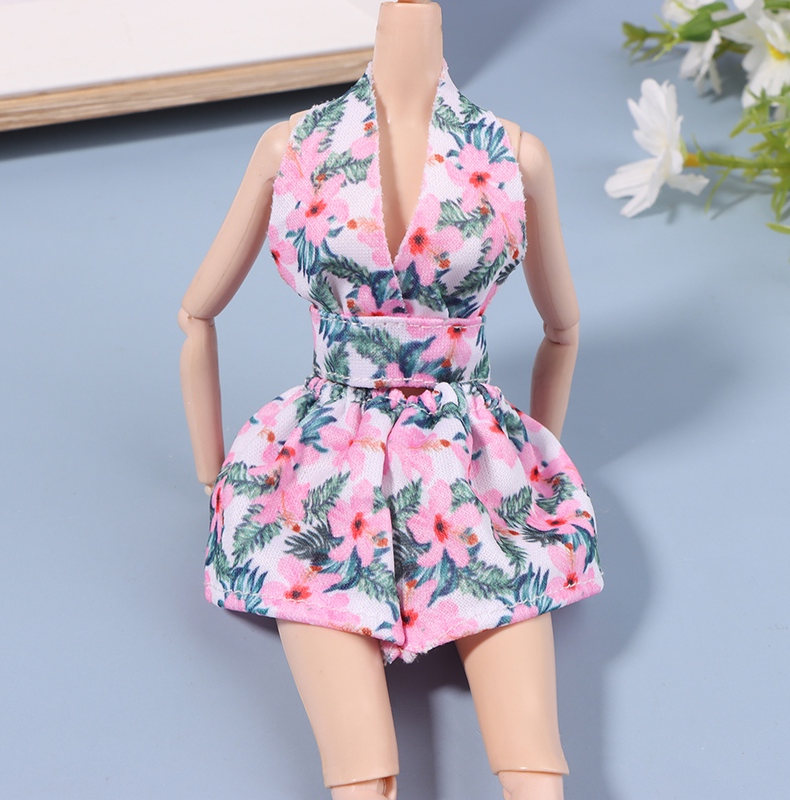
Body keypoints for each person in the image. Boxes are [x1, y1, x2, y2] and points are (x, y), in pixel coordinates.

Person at [179, 2, 602, 798]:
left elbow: (195, 315)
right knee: (364, 771)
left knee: (531, 764)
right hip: (332, 465)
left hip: (451, 459)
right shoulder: (299, 145)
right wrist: (535, 461)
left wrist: (527, 475)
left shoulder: (511, 153)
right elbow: (563, 332)